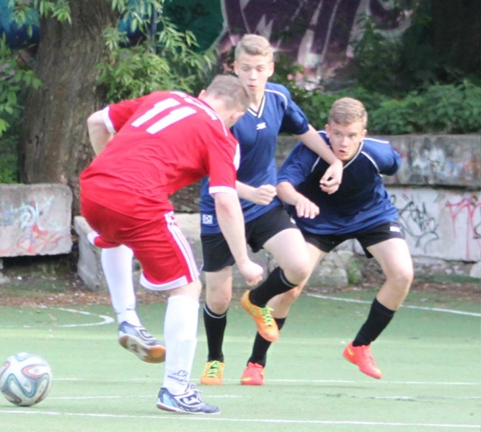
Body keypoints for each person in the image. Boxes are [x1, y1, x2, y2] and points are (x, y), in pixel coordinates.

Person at [79, 74, 264, 415]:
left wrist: (114, 172)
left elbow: (96, 122)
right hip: (140, 201)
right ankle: (176, 389)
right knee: (188, 287)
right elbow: (225, 200)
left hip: (94, 189)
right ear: (237, 115)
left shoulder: (164, 97)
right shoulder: (221, 135)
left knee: (115, 237)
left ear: (204, 93)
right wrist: (244, 260)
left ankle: (127, 318)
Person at [198, 34, 343, 386]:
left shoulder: (278, 97)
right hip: (221, 204)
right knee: (218, 296)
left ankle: (257, 300)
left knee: (299, 265)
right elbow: (207, 168)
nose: (252, 76)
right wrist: (248, 191)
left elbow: (306, 131)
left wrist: (335, 161)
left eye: (259, 69)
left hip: (263, 206)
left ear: (271, 69)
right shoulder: (223, 108)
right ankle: (215, 360)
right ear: (234, 67)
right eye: (246, 68)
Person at [242, 97, 414, 384]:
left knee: (402, 274)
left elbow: (393, 165)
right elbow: (283, 186)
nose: (343, 142)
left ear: (363, 135)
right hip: (317, 223)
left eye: (352, 135)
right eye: (337, 134)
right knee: (291, 289)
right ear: (327, 129)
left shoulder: (379, 153)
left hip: (371, 216)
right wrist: (298, 200)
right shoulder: (312, 150)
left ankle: (360, 346)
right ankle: (256, 363)